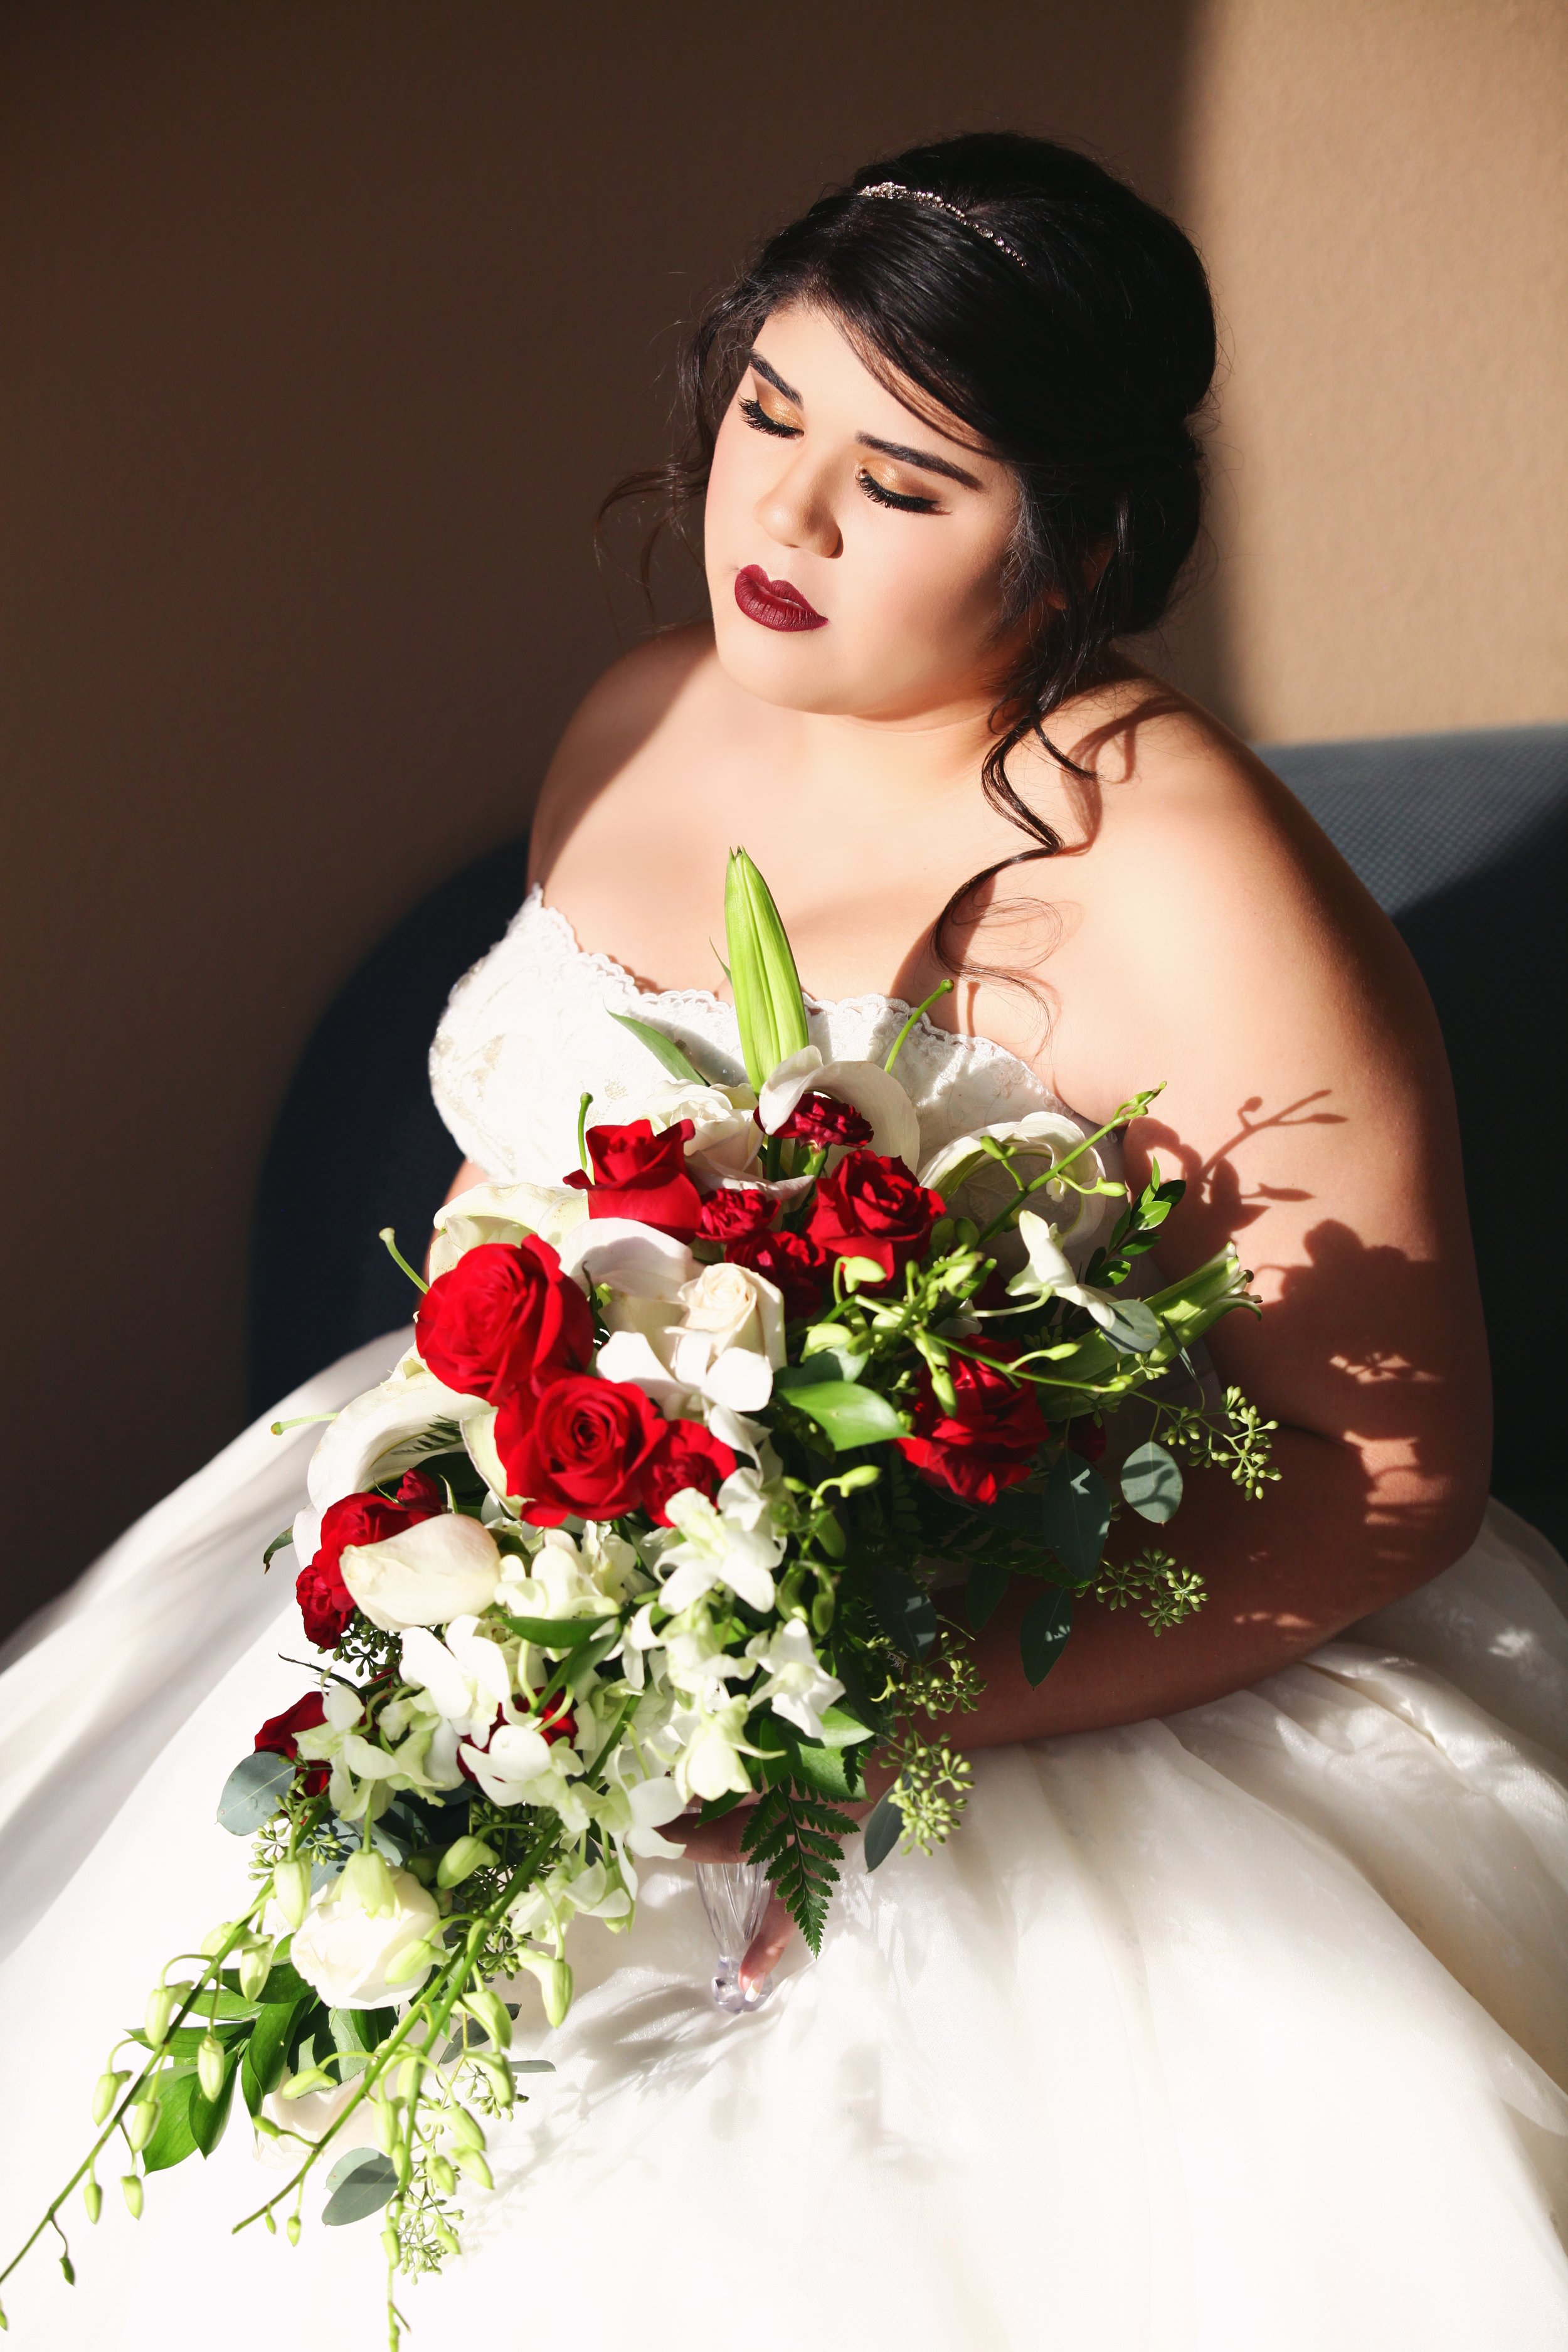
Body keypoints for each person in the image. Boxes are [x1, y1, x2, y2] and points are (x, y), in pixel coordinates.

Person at [1, 133, 1564, 2350]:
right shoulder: (636, 713)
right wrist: (473, 1562)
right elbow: (507, 1192)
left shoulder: (1183, 865)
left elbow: (1386, 1472)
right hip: (505, 1560)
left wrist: (851, 1710)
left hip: (984, 1640)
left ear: (1079, 536)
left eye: (903, 485)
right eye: (765, 416)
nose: (787, 520)